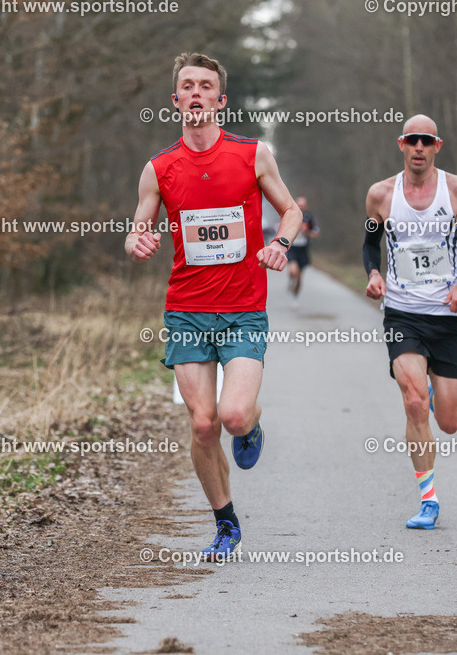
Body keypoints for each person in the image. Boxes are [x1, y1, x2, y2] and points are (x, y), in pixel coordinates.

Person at [126, 53, 302, 560]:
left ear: (220, 101)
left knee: (233, 415)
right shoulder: (159, 168)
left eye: (207, 85)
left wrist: (281, 245)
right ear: (176, 100)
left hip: (244, 307)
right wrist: (136, 242)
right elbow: (139, 225)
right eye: (188, 85)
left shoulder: (252, 155)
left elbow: (289, 211)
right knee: (203, 424)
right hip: (186, 310)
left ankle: (252, 422)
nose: (197, 92)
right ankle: (226, 523)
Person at [362, 114, 457, 530]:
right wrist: (374, 273)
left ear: (437, 146)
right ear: (401, 145)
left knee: (449, 423)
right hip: (403, 312)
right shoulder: (380, 195)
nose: (419, 147)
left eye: (427, 141)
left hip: (449, 314)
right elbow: (370, 243)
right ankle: (428, 499)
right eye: (412, 140)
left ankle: (434, 386)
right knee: (413, 402)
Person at [286, 196, 319, 308]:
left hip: (303, 249)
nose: (300, 208)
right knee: (293, 271)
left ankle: (294, 297)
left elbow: (316, 233)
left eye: (302, 206)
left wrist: (307, 231)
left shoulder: (309, 218)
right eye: (299, 205)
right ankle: (291, 280)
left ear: (306, 207)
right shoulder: (290, 215)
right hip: (292, 247)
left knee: (299, 278)